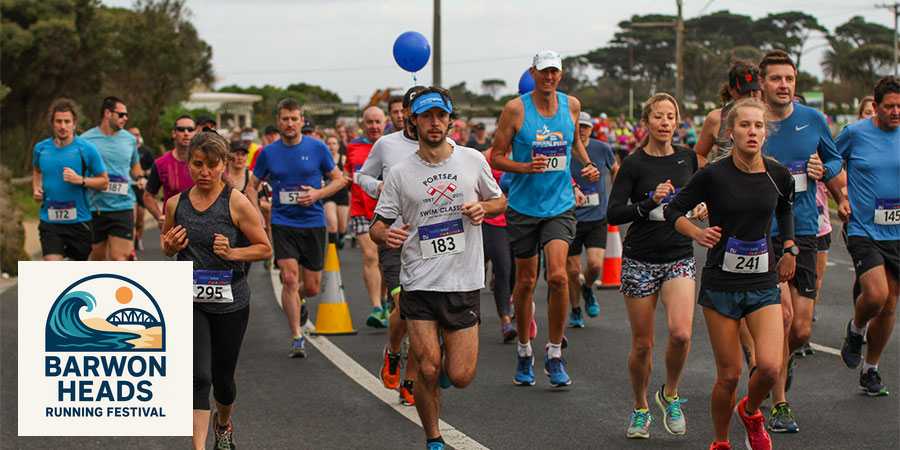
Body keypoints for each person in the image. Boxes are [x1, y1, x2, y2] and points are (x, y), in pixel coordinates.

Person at [369, 87, 505, 450]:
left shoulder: (472, 160)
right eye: (426, 116)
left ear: (450, 119)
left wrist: (484, 210)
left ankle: (442, 355)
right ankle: (434, 439)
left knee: (459, 376)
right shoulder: (399, 173)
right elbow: (376, 226)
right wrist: (388, 234)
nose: (434, 122)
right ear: (412, 120)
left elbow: (499, 201)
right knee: (427, 369)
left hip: (462, 281)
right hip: (419, 282)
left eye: (440, 115)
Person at [665, 97, 795, 450]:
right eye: (744, 125)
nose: (752, 132)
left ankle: (751, 412)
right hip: (722, 284)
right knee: (731, 374)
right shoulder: (712, 174)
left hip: (763, 282)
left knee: (768, 367)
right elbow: (674, 210)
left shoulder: (777, 173)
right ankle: (721, 441)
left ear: (766, 132)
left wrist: (790, 248)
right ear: (730, 132)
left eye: (759, 126)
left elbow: (785, 209)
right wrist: (696, 233)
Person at [490, 49, 599, 388]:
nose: (549, 77)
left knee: (557, 277)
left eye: (554, 72)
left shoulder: (572, 106)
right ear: (533, 74)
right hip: (523, 206)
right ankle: (524, 351)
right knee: (524, 282)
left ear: (560, 75)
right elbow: (496, 156)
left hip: (560, 206)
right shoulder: (515, 109)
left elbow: (573, 144)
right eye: (543, 71)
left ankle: (554, 353)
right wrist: (524, 167)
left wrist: (585, 163)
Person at [160, 131, 271, 450]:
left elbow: (264, 249)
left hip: (231, 302)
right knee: (199, 377)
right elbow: (169, 246)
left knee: (223, 382)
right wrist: (168, 248)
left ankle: (223, 425)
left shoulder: (237, 203)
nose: (204, 172)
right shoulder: (175, 204)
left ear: (224, 164)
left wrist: (233, 253)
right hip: (190, 300)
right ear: (189, 165)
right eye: (197, 164)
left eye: (211, 165)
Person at [757, 49, 845, 433]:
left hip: (805, 228)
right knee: (784, 315)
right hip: (762, 232)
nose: (784, 85)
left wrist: (824, 169)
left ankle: (784, 358)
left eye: (789, 79)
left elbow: (837, 160)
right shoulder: (753, 121)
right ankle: (779, 404)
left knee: (802, 329)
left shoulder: (812, 119)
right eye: (776, 79)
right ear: (762, 83)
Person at [607, 93, 704, 439]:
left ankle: (671, 394)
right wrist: (649, 203)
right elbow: (614, 212)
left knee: (681, 333)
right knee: (643, 344)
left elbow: (699, 196)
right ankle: (640, 407)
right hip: (640, 259)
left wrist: (701, 208)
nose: (665, 123)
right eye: (658, 117)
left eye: (671, 117)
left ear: (678, 123)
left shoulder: (688, 158)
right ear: (645, 122)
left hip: (678, 255)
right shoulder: (634, 164)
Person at [247, 98, 345, 357]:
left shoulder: (318, 148)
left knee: (311, 287)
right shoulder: (268, 152)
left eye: (294, 119)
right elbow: (251, 185)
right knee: (289, 279)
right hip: (283, 222)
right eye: (285, 119)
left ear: (302, 121)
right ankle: (296, 336)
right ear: (278, 121)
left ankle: (300, 300)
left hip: (313, 222)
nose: (290, 123)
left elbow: (339, 179)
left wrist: (318, 194)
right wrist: (257, 213)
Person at [358, 86, 427, 406]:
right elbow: (361, 177)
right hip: (392, 236)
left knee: (422, 315)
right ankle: (394, 353)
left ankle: (410, 381)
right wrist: (380, 185)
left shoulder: (444, 146)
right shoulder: (386, 144)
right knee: (406, 308)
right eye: (411, 112)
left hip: (429, 240)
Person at [837, 76, 900, 396]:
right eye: (889, 106)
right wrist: (841, 195)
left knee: (889, 306)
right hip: (863, 227)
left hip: (898, 232)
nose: (896, 111)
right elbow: (831, 162)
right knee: (875, 295)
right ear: (875, 106)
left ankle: (870, 369)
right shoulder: (856, 133)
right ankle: (856, 329)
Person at [32, 98, 109, 261]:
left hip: (79, 221)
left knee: (74, 277)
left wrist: (81, 180)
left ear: (74, 123)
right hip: (50, 220)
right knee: (53, 269)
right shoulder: (41, 149)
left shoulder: (86, 149)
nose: (62, 126)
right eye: (58, 121)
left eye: (67, 121)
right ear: (52, 123)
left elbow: (104, 182)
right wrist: (37, 189)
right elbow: (37, 170)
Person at [567, 112, 618, 328]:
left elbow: (615, 169)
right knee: (571, 270)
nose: (582, 130)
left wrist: (616, 195)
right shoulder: (566, 150)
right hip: (570, 218)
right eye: (579, 126)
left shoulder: (601, 148)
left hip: (597, 216)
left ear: (591, 129)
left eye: (586, 126)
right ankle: (576, 310)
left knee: (596, 265)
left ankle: (587, 288)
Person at [80, 96, 142, 261]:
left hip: (123, 207)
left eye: (126, 115)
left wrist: (141, 177)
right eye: (121, 114)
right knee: (99, 263)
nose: (125, 118)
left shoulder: (129, 139)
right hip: (95, 208)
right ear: (107, 113)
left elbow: (134, 166)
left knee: (120, 259)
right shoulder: (86, 140)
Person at [345, 106, 389, 327]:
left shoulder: (392, 145)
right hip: (361, 209)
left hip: (388, 211)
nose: (373, 126)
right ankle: (376, 307)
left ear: (385, 122)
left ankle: (384, 300)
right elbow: (349, 175)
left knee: (383, 259)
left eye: (377, 122)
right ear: (363, 124)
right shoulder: (353, 147)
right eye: (369, 122)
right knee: (370, 256)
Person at [694, 59, 764, 167]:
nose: (751, 96)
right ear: (731, 90)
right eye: (744, 92)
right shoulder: (716, 118)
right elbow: (698, 155)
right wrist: (713, 171)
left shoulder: (771, 116)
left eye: (755, 91)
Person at [143, 115, 197, 231]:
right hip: (173, 229)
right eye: (181, 130)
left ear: (195, 133)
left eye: (190, 129)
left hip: (202, 225)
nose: (186, 133)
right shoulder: (161, 163)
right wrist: (159, 216)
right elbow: (148, 195)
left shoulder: (205, 162)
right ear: (174, 133)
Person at [128, 127, 155, 252]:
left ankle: (140, 239)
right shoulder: (125, 149)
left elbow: (153, 168)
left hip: (141, 187)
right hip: (129, 187)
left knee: (139, 220)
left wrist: (143, 174)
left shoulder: (146, 151)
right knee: (131, 219)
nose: (135, 137)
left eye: (137, 134)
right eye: (132, 134)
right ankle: (131, 244)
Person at [323, 134, 350, 248]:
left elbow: (349, 176)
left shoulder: (343, 159)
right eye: (329, 144)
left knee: (342, 227)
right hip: (328, 194)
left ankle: (342, 236)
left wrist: (345, 178)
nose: (331, 146)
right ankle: (332, 253)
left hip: (342, 194)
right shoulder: (323, 159)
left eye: (334, 144)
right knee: (333, 224)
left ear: (338, 146)